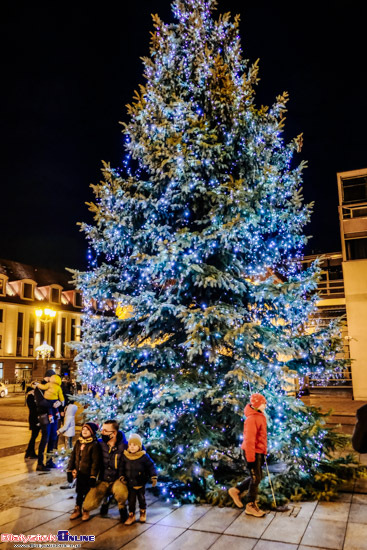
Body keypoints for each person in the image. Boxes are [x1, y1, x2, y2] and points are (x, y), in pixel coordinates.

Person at [228, 393, 267, 517]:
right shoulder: (252, 419)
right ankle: (250, 505)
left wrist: (263, 452)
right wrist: (251, 458)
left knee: (257, 476)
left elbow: (261, 437)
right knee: (255, 478)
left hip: (258, 451)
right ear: (257, 405)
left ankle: (236, 490)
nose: (265, 405)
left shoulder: (259, 416)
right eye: (263, 403)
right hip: (252, 452)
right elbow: (249, 440)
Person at [82, 420, 129, 522]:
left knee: (121, 493)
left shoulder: (125, 446)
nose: (102, 433)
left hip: (117, 480)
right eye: (102, 430)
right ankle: (105, 501)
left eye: (105, 431)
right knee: (88, 505)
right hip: (103, 479)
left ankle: (122, 508)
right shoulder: (99, 444)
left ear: (114, 433)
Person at [67, 422, 101, 522]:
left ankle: (86, 509)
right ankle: (77, 508)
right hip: (79, 474)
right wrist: (70, 469)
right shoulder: (78, 442)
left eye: (87, 430)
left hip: (88, 474)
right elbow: (73, 457)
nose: (84, 431)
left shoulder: (94, 445)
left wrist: (93, 476)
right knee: (79, 492)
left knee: (87, 492)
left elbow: (95, 462)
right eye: (83, 429)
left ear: (92, 432)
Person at [121, 433, 157, 525]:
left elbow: (151, 466)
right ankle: (131, 515)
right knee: (131, 500)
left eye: (135, 445)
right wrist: (122, 476)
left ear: (139, 447)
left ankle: (142, 512)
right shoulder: (125, 456)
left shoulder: (143, 456)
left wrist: (153, 476)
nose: (132, 447)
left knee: (141, 499)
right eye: (130, 445)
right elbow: (121, 467)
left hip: (140, 482)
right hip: (130, 482)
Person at [33, 369, 60, 471]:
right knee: (45, 438)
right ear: (48, 377)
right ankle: (40, 463)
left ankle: (49, 461)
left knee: (53, 438)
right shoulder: (39, 388)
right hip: (44, 415)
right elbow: (40, 402)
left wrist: (58, 403)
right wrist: (52, 404)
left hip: (53, 415)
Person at [24, 383, 40, 459]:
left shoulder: (33, 397)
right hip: (34, 419)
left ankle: (30, 452)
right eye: (33, 391)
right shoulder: (30, 398)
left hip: (34, 418)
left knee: (34, 436)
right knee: (34, 436)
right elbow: (33, 409)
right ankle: (29, 452)